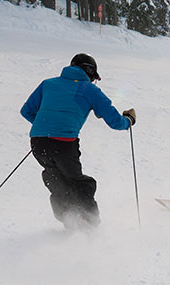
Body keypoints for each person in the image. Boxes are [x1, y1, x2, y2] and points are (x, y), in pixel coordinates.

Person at [20, 53, 135, 229]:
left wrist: (47, 127)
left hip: (37, 142)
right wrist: (128, 120)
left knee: (55, 177)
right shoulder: (90, 90)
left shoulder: (48, 84)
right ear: (90, 73)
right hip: (64, 143)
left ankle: (68, 218)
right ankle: (90, 225)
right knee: (79, 182)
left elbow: (27, 111)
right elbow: (114, 121)